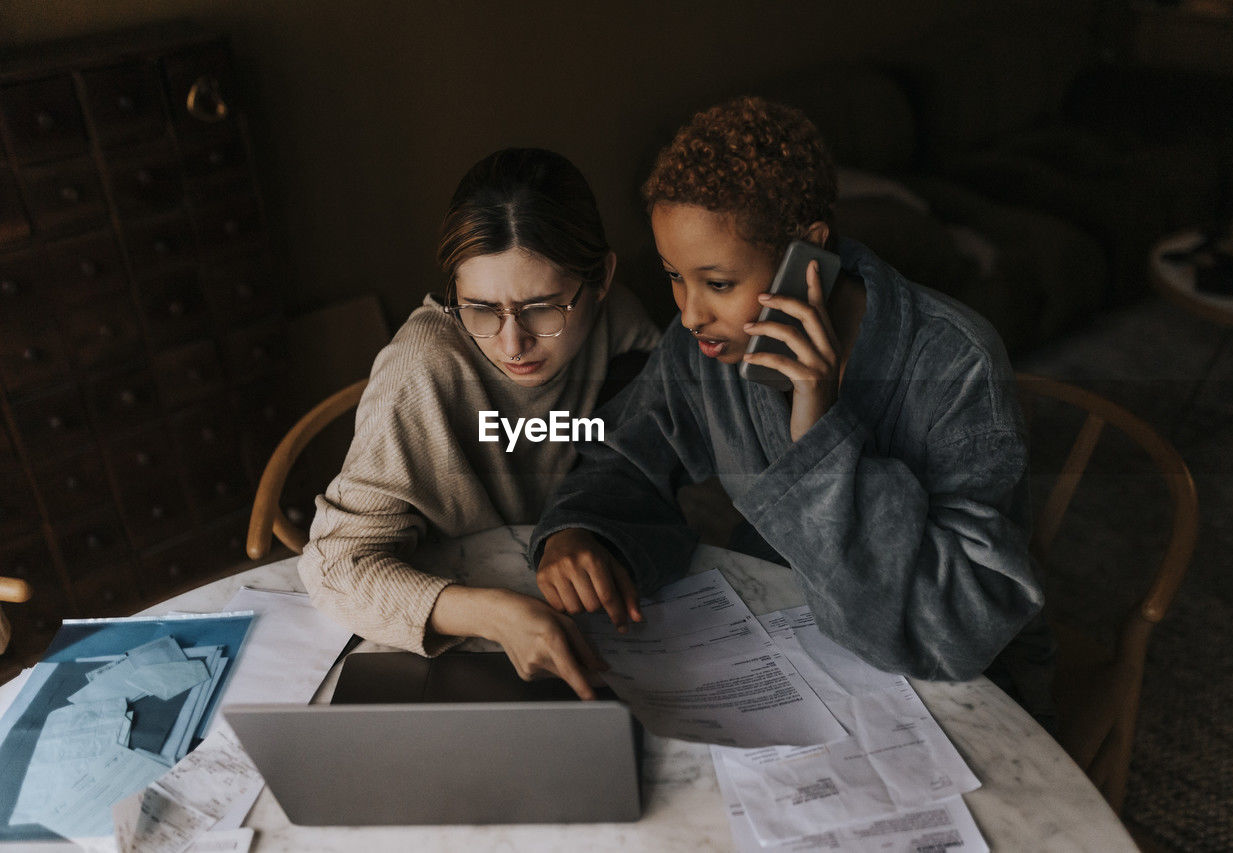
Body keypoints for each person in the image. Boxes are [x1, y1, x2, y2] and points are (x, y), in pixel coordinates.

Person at [531, 98, 1052, 709]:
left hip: (956, 688)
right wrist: (578, 530)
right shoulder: (706, 346)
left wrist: (821, 434)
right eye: (675, 275)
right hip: (786, 647)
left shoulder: (956, 363)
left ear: (809, 255)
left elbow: (962, 630)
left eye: (719, 283)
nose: (690, 311)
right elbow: (625, 456)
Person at [299, 148, 661, 700]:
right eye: (479, 308)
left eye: (543, 308)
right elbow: (332, 568)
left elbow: (660, 460)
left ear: (603, 278)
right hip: (448, 651)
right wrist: (496, 616)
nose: (512, 345)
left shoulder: (622, 325)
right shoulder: (420, 371)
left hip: (599, 622)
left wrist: (587, 525)